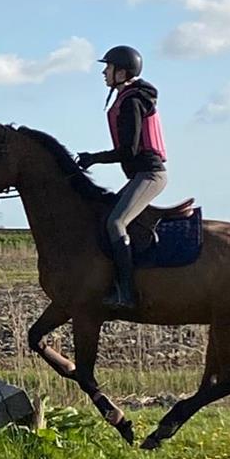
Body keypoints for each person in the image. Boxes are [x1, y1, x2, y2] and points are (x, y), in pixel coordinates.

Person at [77, 45, 167, 310]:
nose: (104, 72)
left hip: (150, 174)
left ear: (122, 72)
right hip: (140, 174)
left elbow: (129, 150)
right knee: (106, 216)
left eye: (108, 67)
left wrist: (93, 158)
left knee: (116, 222)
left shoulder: (132, 101)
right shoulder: (126, 97)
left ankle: (126, 293)